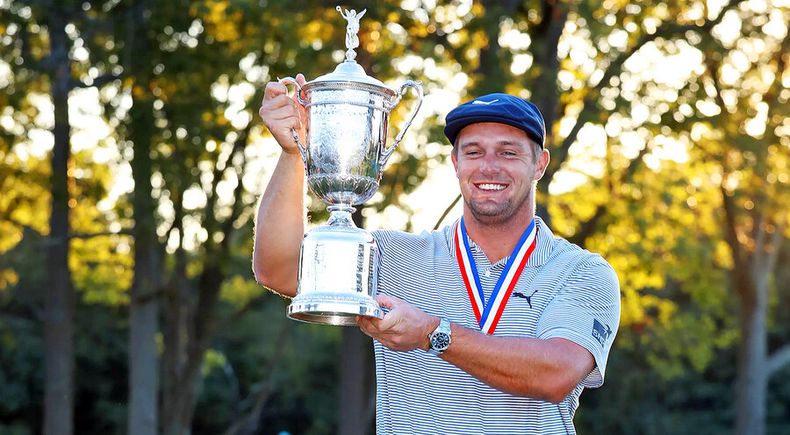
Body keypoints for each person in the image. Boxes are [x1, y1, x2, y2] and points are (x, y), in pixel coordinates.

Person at [253, 74, 621, 434]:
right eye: (473, 152)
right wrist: (292, 152)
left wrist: (433, 333)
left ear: (539, 164)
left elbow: (556, 374)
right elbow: (278, 270)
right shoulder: (395, 256)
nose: (488, 167)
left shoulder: (582, 271)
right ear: (455, 163)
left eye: (508, 152)